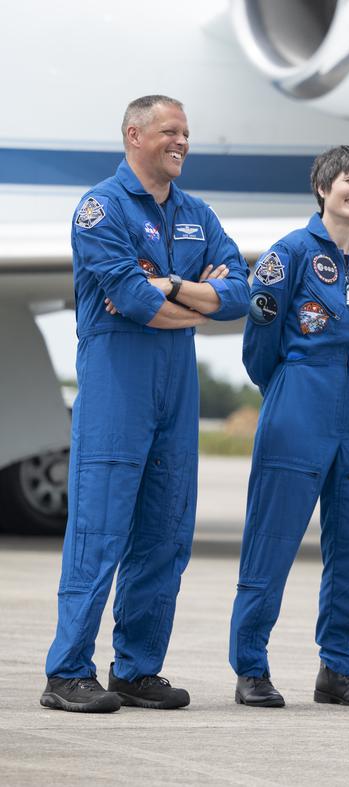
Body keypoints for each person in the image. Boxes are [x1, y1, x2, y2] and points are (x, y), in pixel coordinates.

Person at [42, 95, 248, 713]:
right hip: (116, 383)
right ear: (134, 135)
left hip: (175, 386)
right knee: (100, 530)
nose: (181, 141)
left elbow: (238, 293)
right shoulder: (100, 208)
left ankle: (136, 668)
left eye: (186, 132)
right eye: (169, 131)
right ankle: (68, 672)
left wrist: (176, 286)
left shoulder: (196, 213)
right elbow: (134, 302)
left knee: (165, 532)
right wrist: (193, 302)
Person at [229, 146, 349, 708]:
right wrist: (288, 389)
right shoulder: (288, 254)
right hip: (299, 396)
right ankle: (251, 666)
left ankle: (339, 669)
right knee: (272, 538)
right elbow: (260, 342)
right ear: (323, 189)